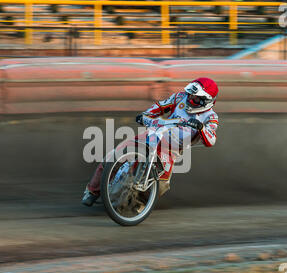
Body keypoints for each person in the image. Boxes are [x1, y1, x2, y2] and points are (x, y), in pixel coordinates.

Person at [82, 77, 219, 206]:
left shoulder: (211, 117)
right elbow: (159, 106)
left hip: (171, 149)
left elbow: (211, 140)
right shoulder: (180, 97)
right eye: (190, 94)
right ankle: (92, 191)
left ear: (205, 100)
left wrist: (201, 128)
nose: (190, 98)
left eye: (195, 97)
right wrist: (145, 116)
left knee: (162, 184)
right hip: (154, 134)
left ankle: (140, 205)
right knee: (113, 156)